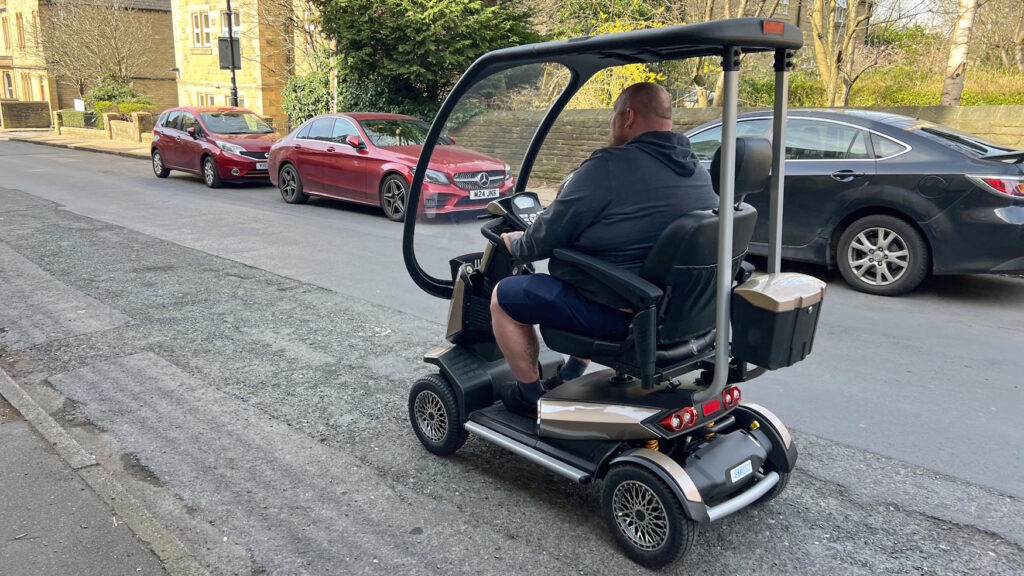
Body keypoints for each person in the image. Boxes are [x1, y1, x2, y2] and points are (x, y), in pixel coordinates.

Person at [490, 81, 720, 416]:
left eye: (613, 115)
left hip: (626, 315)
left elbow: (544, 235)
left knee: (504, 296)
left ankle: (529, 396)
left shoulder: (609, 167)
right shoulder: (697, 170)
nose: (611, 123)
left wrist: (517, 245)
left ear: (627, 117)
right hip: (681, 316)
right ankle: (569, 374)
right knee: (589, 273)